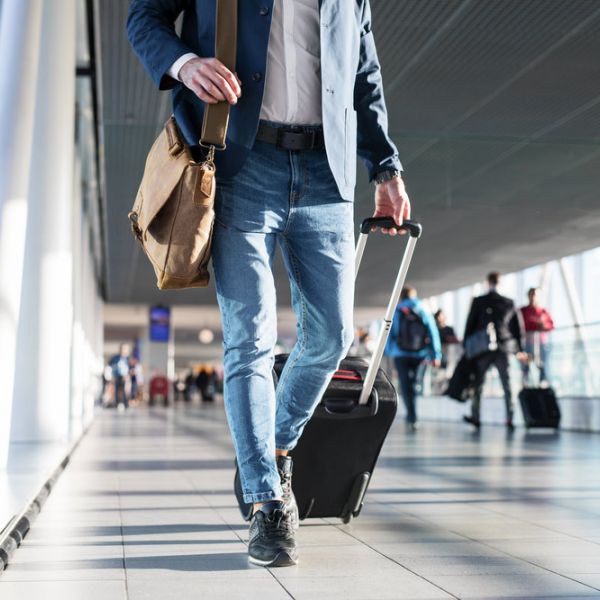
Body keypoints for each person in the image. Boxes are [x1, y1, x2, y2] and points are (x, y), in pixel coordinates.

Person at [127, 0, 410, 567]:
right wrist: (184, 63)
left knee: (330, 337)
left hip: (327, 174)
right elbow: (144, 16)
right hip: (240, 164)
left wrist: (386, 167)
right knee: (249, 338)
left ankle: (275, 445)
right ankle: (266, 503)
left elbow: (363, 71)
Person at [463, 272, 527, 430]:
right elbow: (518, 329)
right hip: (504, 348)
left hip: (482, 349)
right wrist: (520, 349)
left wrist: (466, 346)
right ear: (500, 282)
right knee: (507, 385)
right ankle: (509, 418)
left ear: (488, 283)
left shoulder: (479, 301)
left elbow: (470, 325)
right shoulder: (508, 302)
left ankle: (476, 416)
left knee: (478, 384)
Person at [385, 287, 441, 431]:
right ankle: (413, 413)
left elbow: (389, 332)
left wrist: (389, 351)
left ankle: (411, 416)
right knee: (415, 383)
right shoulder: (422, 309)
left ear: (401, 297)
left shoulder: (396, 310)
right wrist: (436, 354)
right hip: (420, 354)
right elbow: (433, 332)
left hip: (400, 354)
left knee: (405, 385)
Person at [520, 287, 554, 384]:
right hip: (527, 344)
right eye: (532, 294)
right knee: (525, 367)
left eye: (536, 295)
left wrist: (543, 326)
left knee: (543, 367)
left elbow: (550, 325)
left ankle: (542, 387)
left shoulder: (543, 311)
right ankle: (525, 388)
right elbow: (519, 326)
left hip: (541, 344)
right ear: (528, 296)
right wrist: (534, 325)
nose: (534, 297)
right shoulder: (523, 311)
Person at [109, 343, 131, 411]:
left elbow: (131, 367)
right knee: (117, 389)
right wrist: (112, 375)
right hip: (117, 376)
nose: (124, 351)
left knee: (125, 390)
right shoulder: (115, 358)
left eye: (126, 349)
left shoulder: (128, 359)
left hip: (126, 376)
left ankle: (125, 402)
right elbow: (111, 366)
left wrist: (128, 375)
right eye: (123, 349)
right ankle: (117, 402)